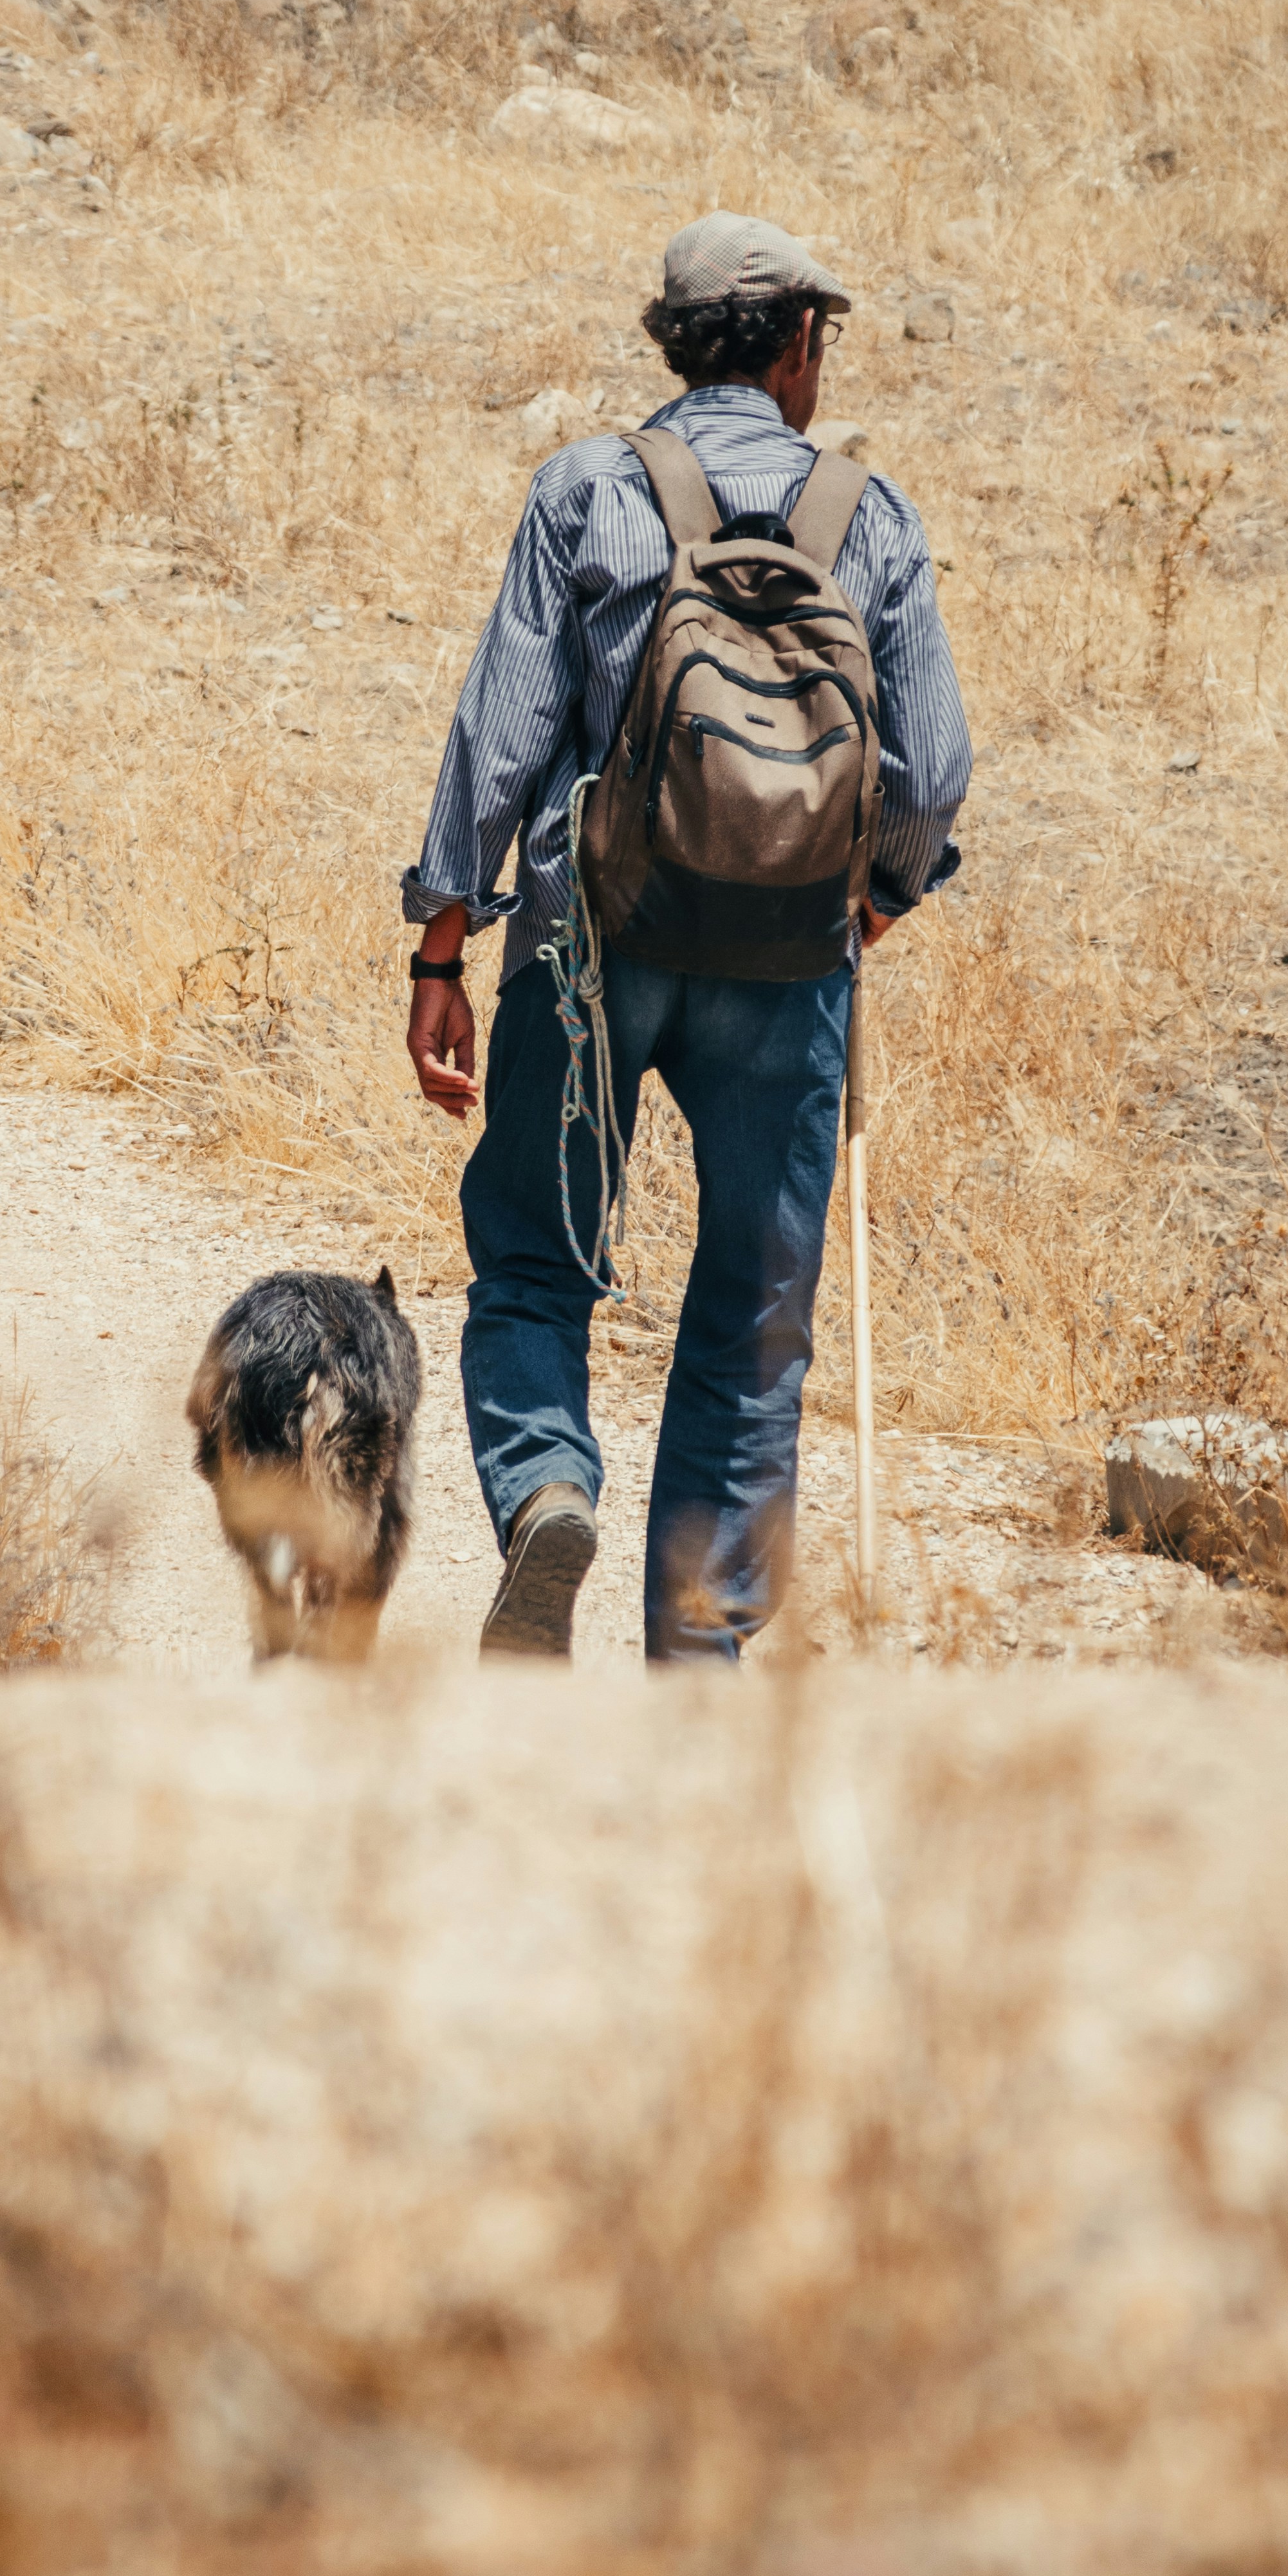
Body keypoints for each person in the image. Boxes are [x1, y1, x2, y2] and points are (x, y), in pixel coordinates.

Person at [403, 212, 971, 1664]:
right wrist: (875, 898)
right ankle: (700, 1657)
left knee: (535, 1260)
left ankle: (546, 1492)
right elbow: (933, 776)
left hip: (588, 952)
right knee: (751, 1315)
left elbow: (501, 736)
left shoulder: (588, 490)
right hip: (789, 968)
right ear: (798, 345)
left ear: (674, 344)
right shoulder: (871, 517)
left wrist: (442, 947)